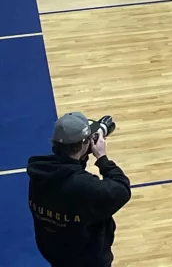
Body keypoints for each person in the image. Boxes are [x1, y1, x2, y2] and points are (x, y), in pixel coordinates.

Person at [27, 112, 131, 267]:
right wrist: (102, 158)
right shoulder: (85, 187)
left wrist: (81, 157)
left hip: (56, 254)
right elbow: (122, 189)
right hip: (87, 260)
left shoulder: (40, 173)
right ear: (84, 144)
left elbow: (67, 174)